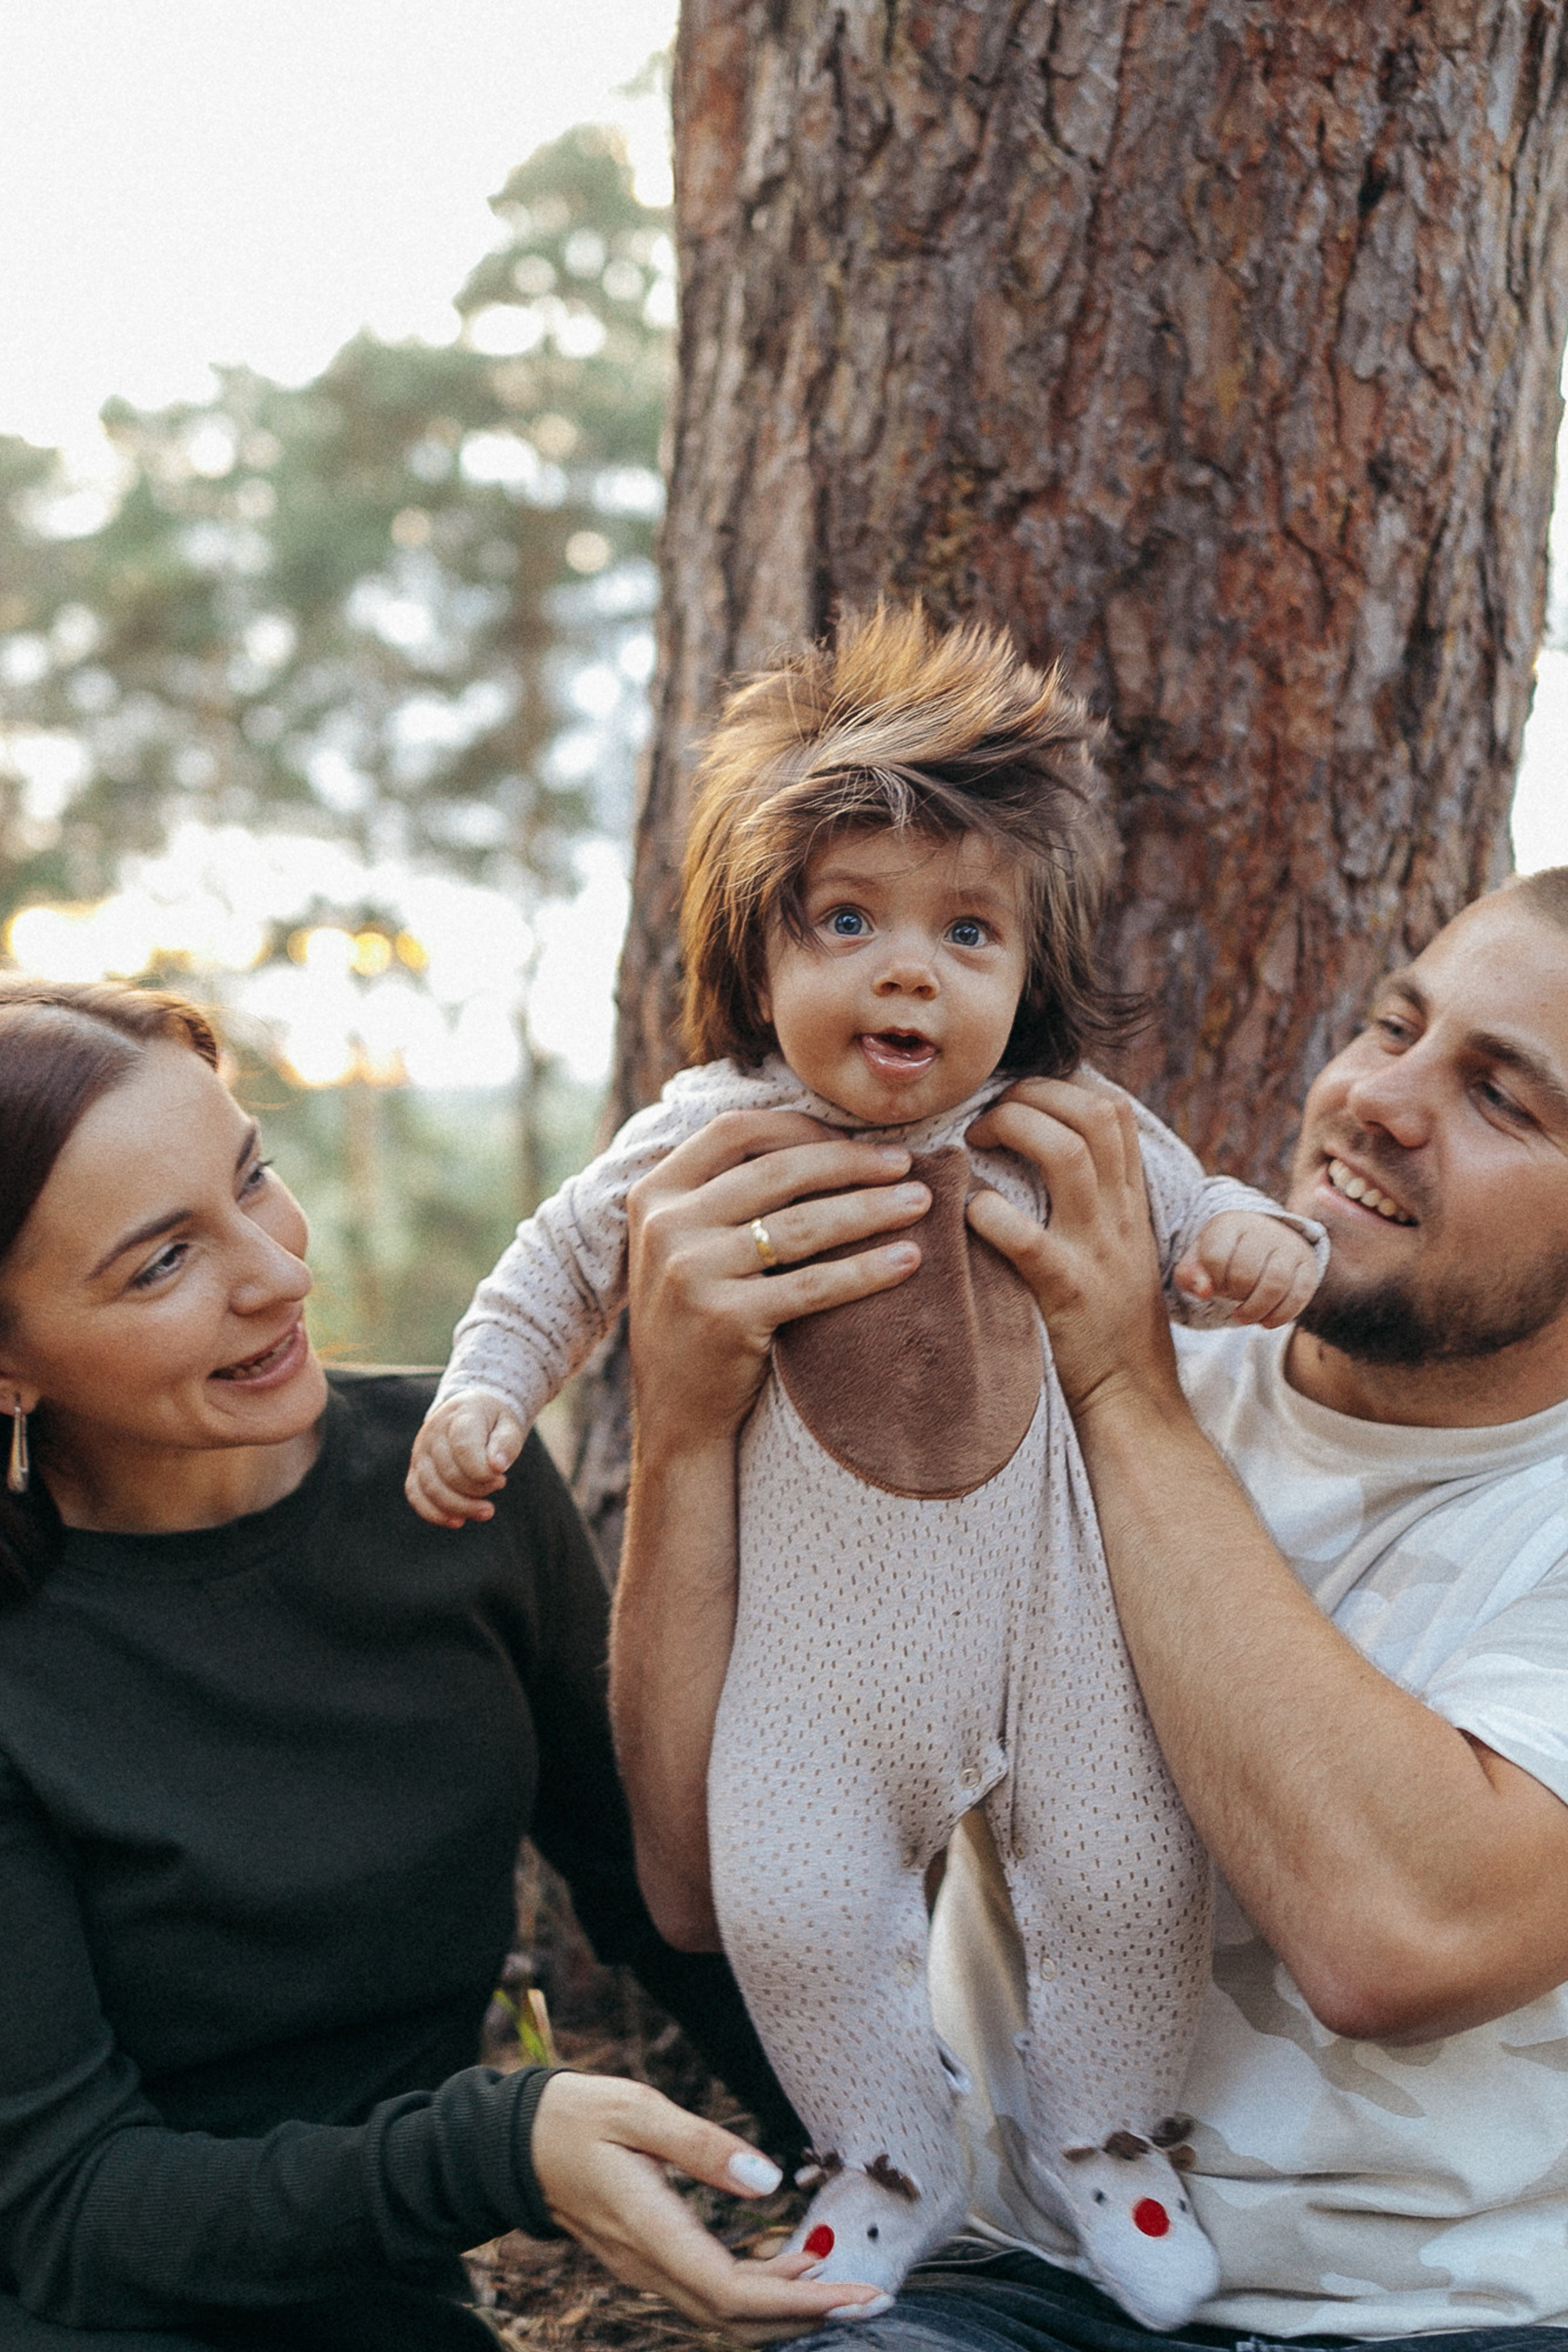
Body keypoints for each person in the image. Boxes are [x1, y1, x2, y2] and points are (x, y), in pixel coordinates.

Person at [407, 606, 1323, 2324]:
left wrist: (1264, 1244)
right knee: (798, 1905)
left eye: (966, 931)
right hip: (819, 1660)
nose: (908, 971)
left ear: (1026, 981)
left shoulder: (1061, 1124)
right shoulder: (711, 1135)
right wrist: (483, 1395)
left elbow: (1205, 1217)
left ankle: (1110, 2144)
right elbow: (556, 1265)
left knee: (1132, 1874)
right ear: (761, 960)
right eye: (850, 920)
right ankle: (887, 2161)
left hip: (1065, 1626)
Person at [611, 866, 1568, 2346]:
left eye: (1504, 1099)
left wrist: (1123, 1385)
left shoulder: (1117, 1384)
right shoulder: (1030, 1393)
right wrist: (679, 1431)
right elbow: (689, 1879)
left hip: (1454, 2324)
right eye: (1394, 1025)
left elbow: (1398, 1942)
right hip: (1027, 2289)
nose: (1380, 1099)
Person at [0, 974, 892, 2351]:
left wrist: (889, 2166)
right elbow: (69, 2219)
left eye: (256, 1178)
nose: (280, 1272)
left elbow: (656, 1891)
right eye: (162, 1260)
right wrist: (497, 2148)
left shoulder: (453, 1488)